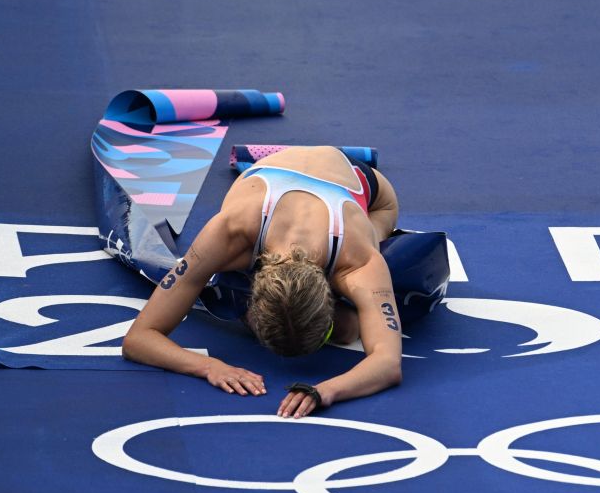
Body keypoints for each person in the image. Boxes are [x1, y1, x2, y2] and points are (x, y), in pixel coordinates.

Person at [121, 146, 402, 418]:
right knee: (346, 327)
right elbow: (138, 339)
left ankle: (329, 321)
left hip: (363, 186)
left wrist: (326, 391)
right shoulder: (230, 231)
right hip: (275, 177)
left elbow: (388, 364)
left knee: (347, 329)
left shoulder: (359, 258)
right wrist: (208, 367)